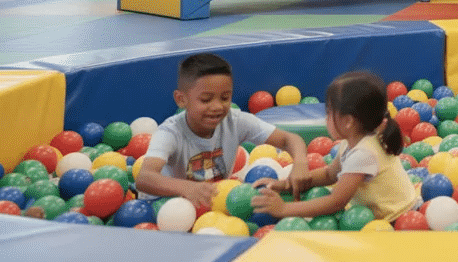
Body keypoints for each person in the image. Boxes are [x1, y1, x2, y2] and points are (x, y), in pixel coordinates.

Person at [137, 53, 309, 207]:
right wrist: (187, 188)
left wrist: (300, 164)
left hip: (214, 205)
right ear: (181, 99)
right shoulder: (170, 132)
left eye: (225, 98)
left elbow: (290, 139)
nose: (217, 106)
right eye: (206, 100)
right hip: (164, 206)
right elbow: (145, 178)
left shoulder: (236, 121)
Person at [251, 71, 418, 223]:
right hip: (378, 218)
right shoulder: (355, 139)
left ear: (348, 121)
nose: (326, 118)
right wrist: (287, 184)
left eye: (329, 112)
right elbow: (329, 174)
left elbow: (336, 202)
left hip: (398, 220)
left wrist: (284, 209)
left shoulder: (364, 153)